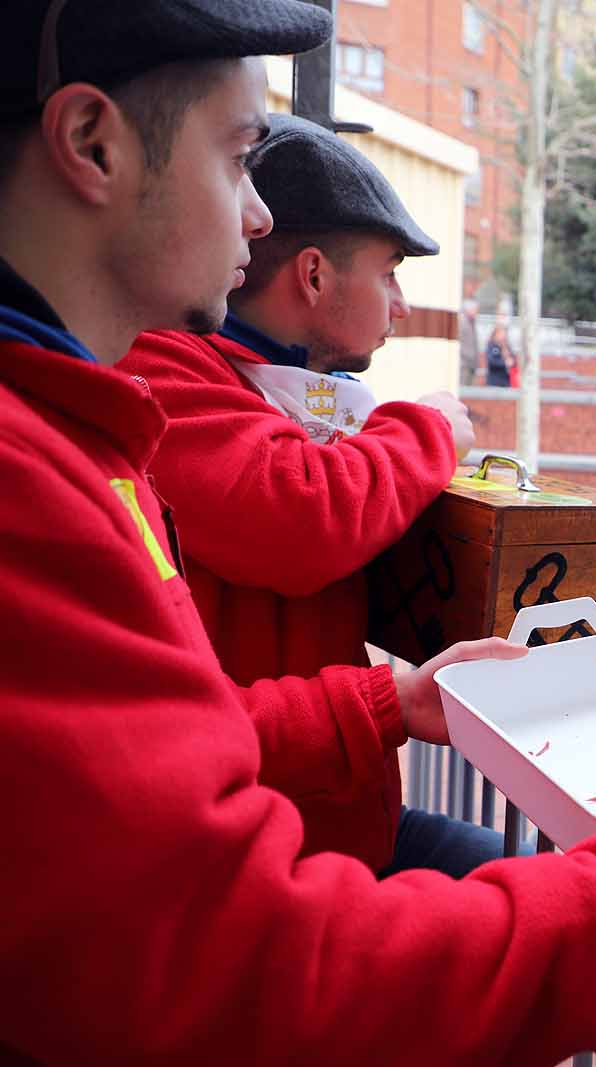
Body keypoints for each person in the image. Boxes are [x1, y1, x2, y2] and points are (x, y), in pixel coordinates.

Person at [0, 2, 596, 1061]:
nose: (260, 216)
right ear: (93, 144)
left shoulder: (75, 432)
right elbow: (248, 962)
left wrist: (387, 697)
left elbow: (165, 747)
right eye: (237, 159)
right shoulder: (33, 475)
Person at [120, 114, 515, 877]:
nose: (400, 302)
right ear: (312, 275)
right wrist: (428, 428)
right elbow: (301, 513)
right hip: (266, 848)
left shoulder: (273, 390)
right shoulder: (164, 365)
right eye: (390, 270)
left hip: (331, 813)